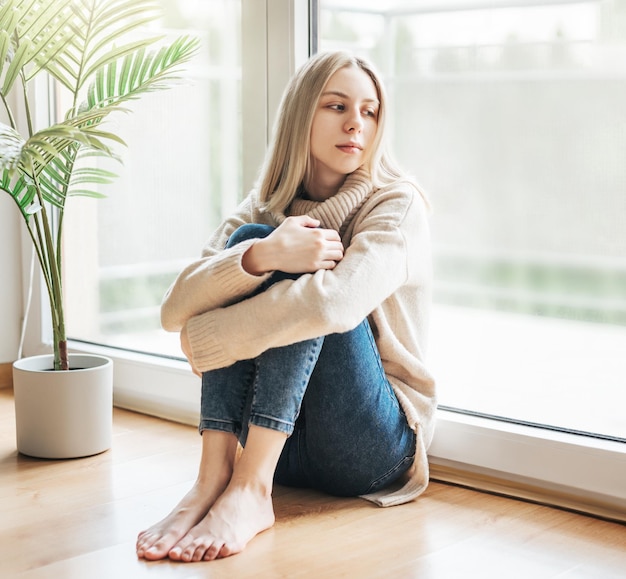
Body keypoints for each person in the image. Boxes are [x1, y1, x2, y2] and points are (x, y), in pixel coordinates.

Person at [136, 50, 436, 563]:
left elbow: (335, 307)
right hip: (278, 445)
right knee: (259, 238)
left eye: (369, 111)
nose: (355, 125)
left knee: (311, 256)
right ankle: (213, 479)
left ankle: (252, 492)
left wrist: (207, 338)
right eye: (336, 106)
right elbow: (174, 309)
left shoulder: (396, 203)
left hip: (371, 446)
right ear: (302, 114)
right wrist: (261, 255)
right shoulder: (262, 206)